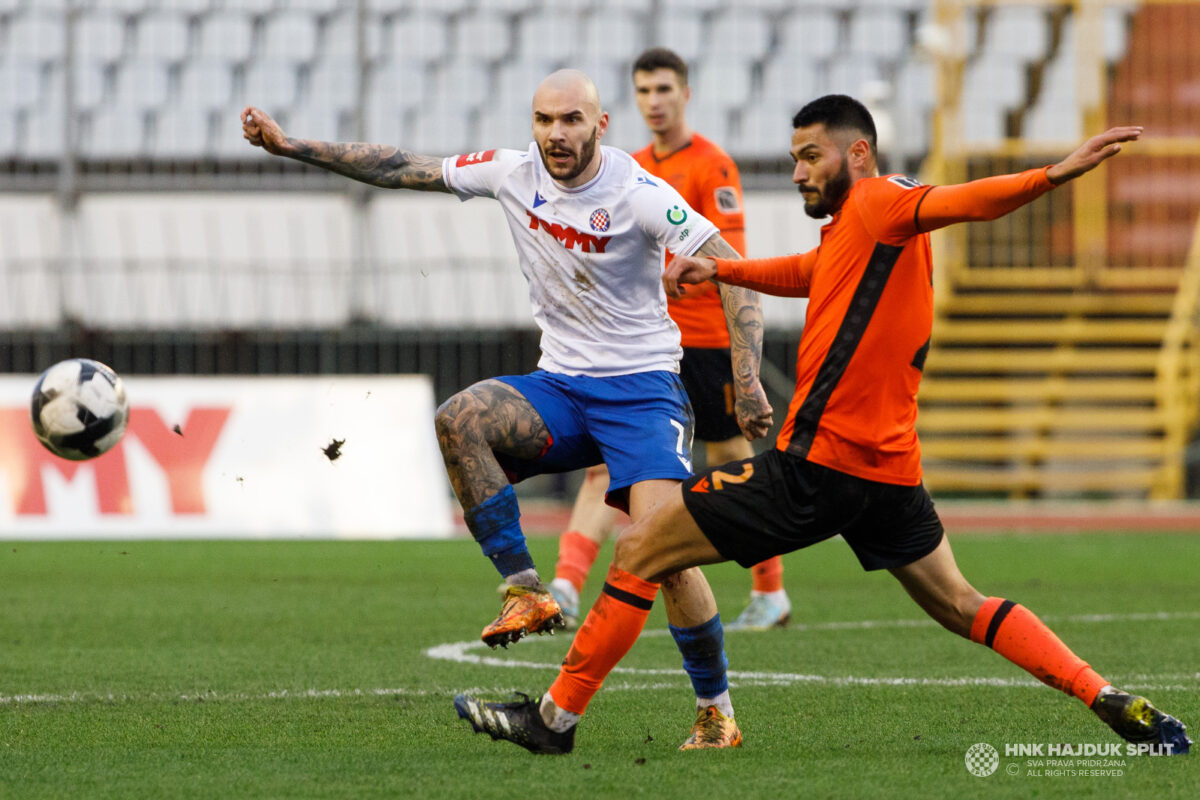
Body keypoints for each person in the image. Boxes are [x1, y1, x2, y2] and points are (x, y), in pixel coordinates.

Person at [452, 95, 1192, 756]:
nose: (799, 170)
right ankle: (1105, 696)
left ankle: (554, 721)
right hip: (890, 473)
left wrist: (1054, 174)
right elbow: (811, 270)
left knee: (643, 545)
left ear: (857, 153)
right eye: (795, 156)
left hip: (819, 466)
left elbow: (964, 201)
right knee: (963, 602)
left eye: (811, 155)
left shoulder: (882, 200)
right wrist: (727, 272)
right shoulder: (856, 230)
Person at [241, 69, 773, 749]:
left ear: (601, 127)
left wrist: (748, 375)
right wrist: (293, 148)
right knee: (459, 419)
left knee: (663, 556)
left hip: (643, 392)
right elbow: (404, 165)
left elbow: (727, 263)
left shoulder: (640, 193)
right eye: (546, 120)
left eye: (573, 120)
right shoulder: (510, 173)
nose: (557, 133)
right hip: (564, 390)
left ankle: (715, 709)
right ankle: (527, 587)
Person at [547, 47, 791, 632]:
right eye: (643, 92)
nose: (654, 102)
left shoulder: (714, 165)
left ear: (685, 94)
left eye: (664, 90)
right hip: (642, 348)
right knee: (605, 468)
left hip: (705, 342)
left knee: (730, 458)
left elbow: (724, 256)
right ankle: (566, 585)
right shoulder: (625, 166)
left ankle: (770, 591)